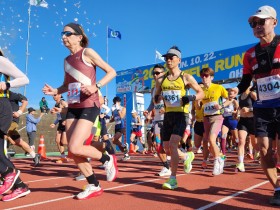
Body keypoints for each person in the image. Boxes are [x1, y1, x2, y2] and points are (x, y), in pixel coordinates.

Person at [42, 22, 118, 200]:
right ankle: (94, 185)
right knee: (72, 151)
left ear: (79, 37)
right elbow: (67, 85)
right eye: (62, 34)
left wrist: (95, 86)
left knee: (76, 146)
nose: (64, 37)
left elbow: (111, 71)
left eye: (68, 33)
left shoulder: (87, 53)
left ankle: (107, 160)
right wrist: (55, 91)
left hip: (89, 104)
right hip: (73, 105)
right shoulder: (66, 60)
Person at [231, 5, 280, 206]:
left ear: (274, 22)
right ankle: (277, 189)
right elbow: (245, 81)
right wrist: (234, 95)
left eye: (262, 22)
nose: (257, 26)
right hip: (263, 107)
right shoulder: (250, 54)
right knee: (264, 149)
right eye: (254, 23)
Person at [154, 46, 204, 190]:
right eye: (166, 58)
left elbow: (201, 93)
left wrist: (190, 97)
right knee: (166, 148)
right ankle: (187, 157)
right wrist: (159, 98)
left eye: (171, 58)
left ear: (179, 60)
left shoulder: (185, 77)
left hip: (181, 115)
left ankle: (173, 179)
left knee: (173, 144)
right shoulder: (161, 79)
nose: (168, 60)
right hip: (167, 116)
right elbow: (156, 98)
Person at [0, 49, 30, 201]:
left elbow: (24, 79)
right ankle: (19, 186)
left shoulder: (0, 61)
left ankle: (9, 174)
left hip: (2, 107)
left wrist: (7, 84)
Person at [198, 67, 231, 175]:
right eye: (202, 76)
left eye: (206, 76)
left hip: (217, 117)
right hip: (206, 118)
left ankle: (217, 161)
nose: (204, 78)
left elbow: (229, 99)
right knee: (207, 142)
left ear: (211, 77)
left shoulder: (218, 87)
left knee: (212, 139)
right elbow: (199, 106)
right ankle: (220, 156)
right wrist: (198, 103)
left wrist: (221, 106)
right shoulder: (200, 90)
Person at [144, 64, 171, 176]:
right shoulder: (153, 89)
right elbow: (152, 103)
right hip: (157, 120)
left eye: (158, 73)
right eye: (154, 73)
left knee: (169, 146)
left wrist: (166, 108)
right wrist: (148, 110)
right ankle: (166, 167)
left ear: (163, 73)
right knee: (157, 145)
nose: (155, 75)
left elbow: (172, 101)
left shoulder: (168, 86)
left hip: (168, 119)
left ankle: (185, 156)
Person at [5, 91, 40, 166]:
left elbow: (25, 100)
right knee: (18, 141)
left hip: (12, 121)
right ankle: (34, 155)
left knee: (3, 133)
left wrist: (19, 112)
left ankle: (4, 157)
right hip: (4, 121)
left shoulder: (11, 94)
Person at [235, 85, 257, 172]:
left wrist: (249, 109)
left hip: (252, 120)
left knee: (254, 144)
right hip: (243, 121)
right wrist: (237, 113)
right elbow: (239, 108)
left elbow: (261, 105)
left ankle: (258, 152)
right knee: (241, 141)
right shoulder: (240, 97)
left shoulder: (252, 94)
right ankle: (240, 163)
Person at [49, 94, 69, 163]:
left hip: (67, 123)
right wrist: (54, 123)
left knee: (64, 142)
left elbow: (70, 111)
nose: (54, 96)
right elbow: (59, 117)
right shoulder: (56, 104)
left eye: (55, 95)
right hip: (60, 124)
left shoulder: (63, 102)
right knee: (57, 141)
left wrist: (66, 120)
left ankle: (75, 149)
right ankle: (63, 157)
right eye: (53, 95)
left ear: (60, 95)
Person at [111, 96, 130, 160]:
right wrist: (106, 119)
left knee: (114, 140)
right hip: (116, 126)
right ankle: (126, 155)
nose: (115, 104)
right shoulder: (114, 109)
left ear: (119, 102)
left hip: (122, 126)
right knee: (118, 143)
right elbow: (113, 118)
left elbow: (122, 116)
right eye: (114, 103)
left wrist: (118, 109)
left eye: (116, 102)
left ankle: (124, 146)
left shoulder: (123, 108)